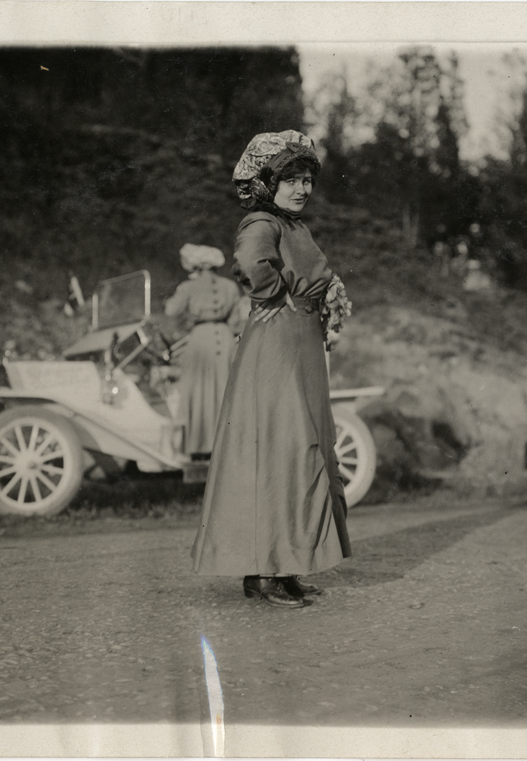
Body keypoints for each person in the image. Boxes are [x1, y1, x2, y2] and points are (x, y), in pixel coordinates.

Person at [190, 130, 352, 608]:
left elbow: (312, 274)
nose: (301, 189)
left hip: (300, 346)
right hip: (276, 344)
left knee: (302, 450)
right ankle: (260, 574)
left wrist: (325, 297)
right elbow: (251, 264)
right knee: (279, 449)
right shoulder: (262, 221)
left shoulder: (296, 227)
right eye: (291, 180)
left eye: (307, 180)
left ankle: (287, 564)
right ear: (268, 182)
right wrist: (284, 295)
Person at [163, 244, 243, 460]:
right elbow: (236, 323)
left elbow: (171, 311)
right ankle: (228, 446)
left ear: (195, 265)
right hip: (225, 340)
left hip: (201, 340)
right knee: (224, 391)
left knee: (198, 392)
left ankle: (199, 447)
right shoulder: (230, 286)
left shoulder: (189, 287)